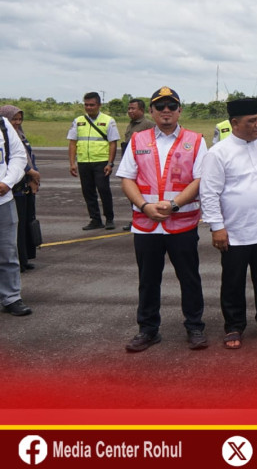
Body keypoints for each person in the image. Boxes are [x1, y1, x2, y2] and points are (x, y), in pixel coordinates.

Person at [117, 87, 208, 352]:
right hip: (147, 224)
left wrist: (175, 204)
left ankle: (194, 326)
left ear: (180, 110)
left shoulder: (196, 140)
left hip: (182, 223)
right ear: (152, 112)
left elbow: (200, 179)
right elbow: (127, 179)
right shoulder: (138, 140)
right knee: (148, 280)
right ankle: (147, 330)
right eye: (160, 107)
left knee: (189, 278)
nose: (166, 111)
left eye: (171, 106)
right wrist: (144, 206)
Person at [200, 98, 257, 349]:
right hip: (234, 232)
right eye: (251, 121)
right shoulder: (218, 153)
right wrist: (217, 227)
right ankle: (234, 325)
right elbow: (209, 193)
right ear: (235, 123)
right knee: (233, 281)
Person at [67, 92, 119, 230]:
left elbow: (113, 143)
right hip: (84, 162)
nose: (89, 108)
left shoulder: (108, 120)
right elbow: (73, 143)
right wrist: (72, 163)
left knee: (103, 190)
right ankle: (95, 219)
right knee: (88, 191)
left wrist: (110, 163)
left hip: (101, 161)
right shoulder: (78, 121)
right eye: (86, 105)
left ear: (99, 105)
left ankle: (109, 218)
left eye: (92, 105)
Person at [0, 106, 40, 272]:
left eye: (19, 119)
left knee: (24, 224)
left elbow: (26, 157)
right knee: (13, 231)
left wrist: (33, 179)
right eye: (13, 119)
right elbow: (13, 160)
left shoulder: (20, 135)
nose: (16, 122)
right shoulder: (6, 136)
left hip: (25, 185)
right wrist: (30, 172)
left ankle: (23, 259)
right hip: (12, 188)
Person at [0, 113, 31, 316]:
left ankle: (11, 297)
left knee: (8, 253)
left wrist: (7, 182)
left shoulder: (2, 124)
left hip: (3, 199)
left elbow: (18, 156)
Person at [120, 99, 155, 230]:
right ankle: (135, 218)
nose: (130, 111)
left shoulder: (148, 125)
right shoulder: (131, 125)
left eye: (133, 108)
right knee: (131, 193)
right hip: (131, 162)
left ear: (142, 110)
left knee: (141, 193)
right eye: (129, 108)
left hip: (144, 165)